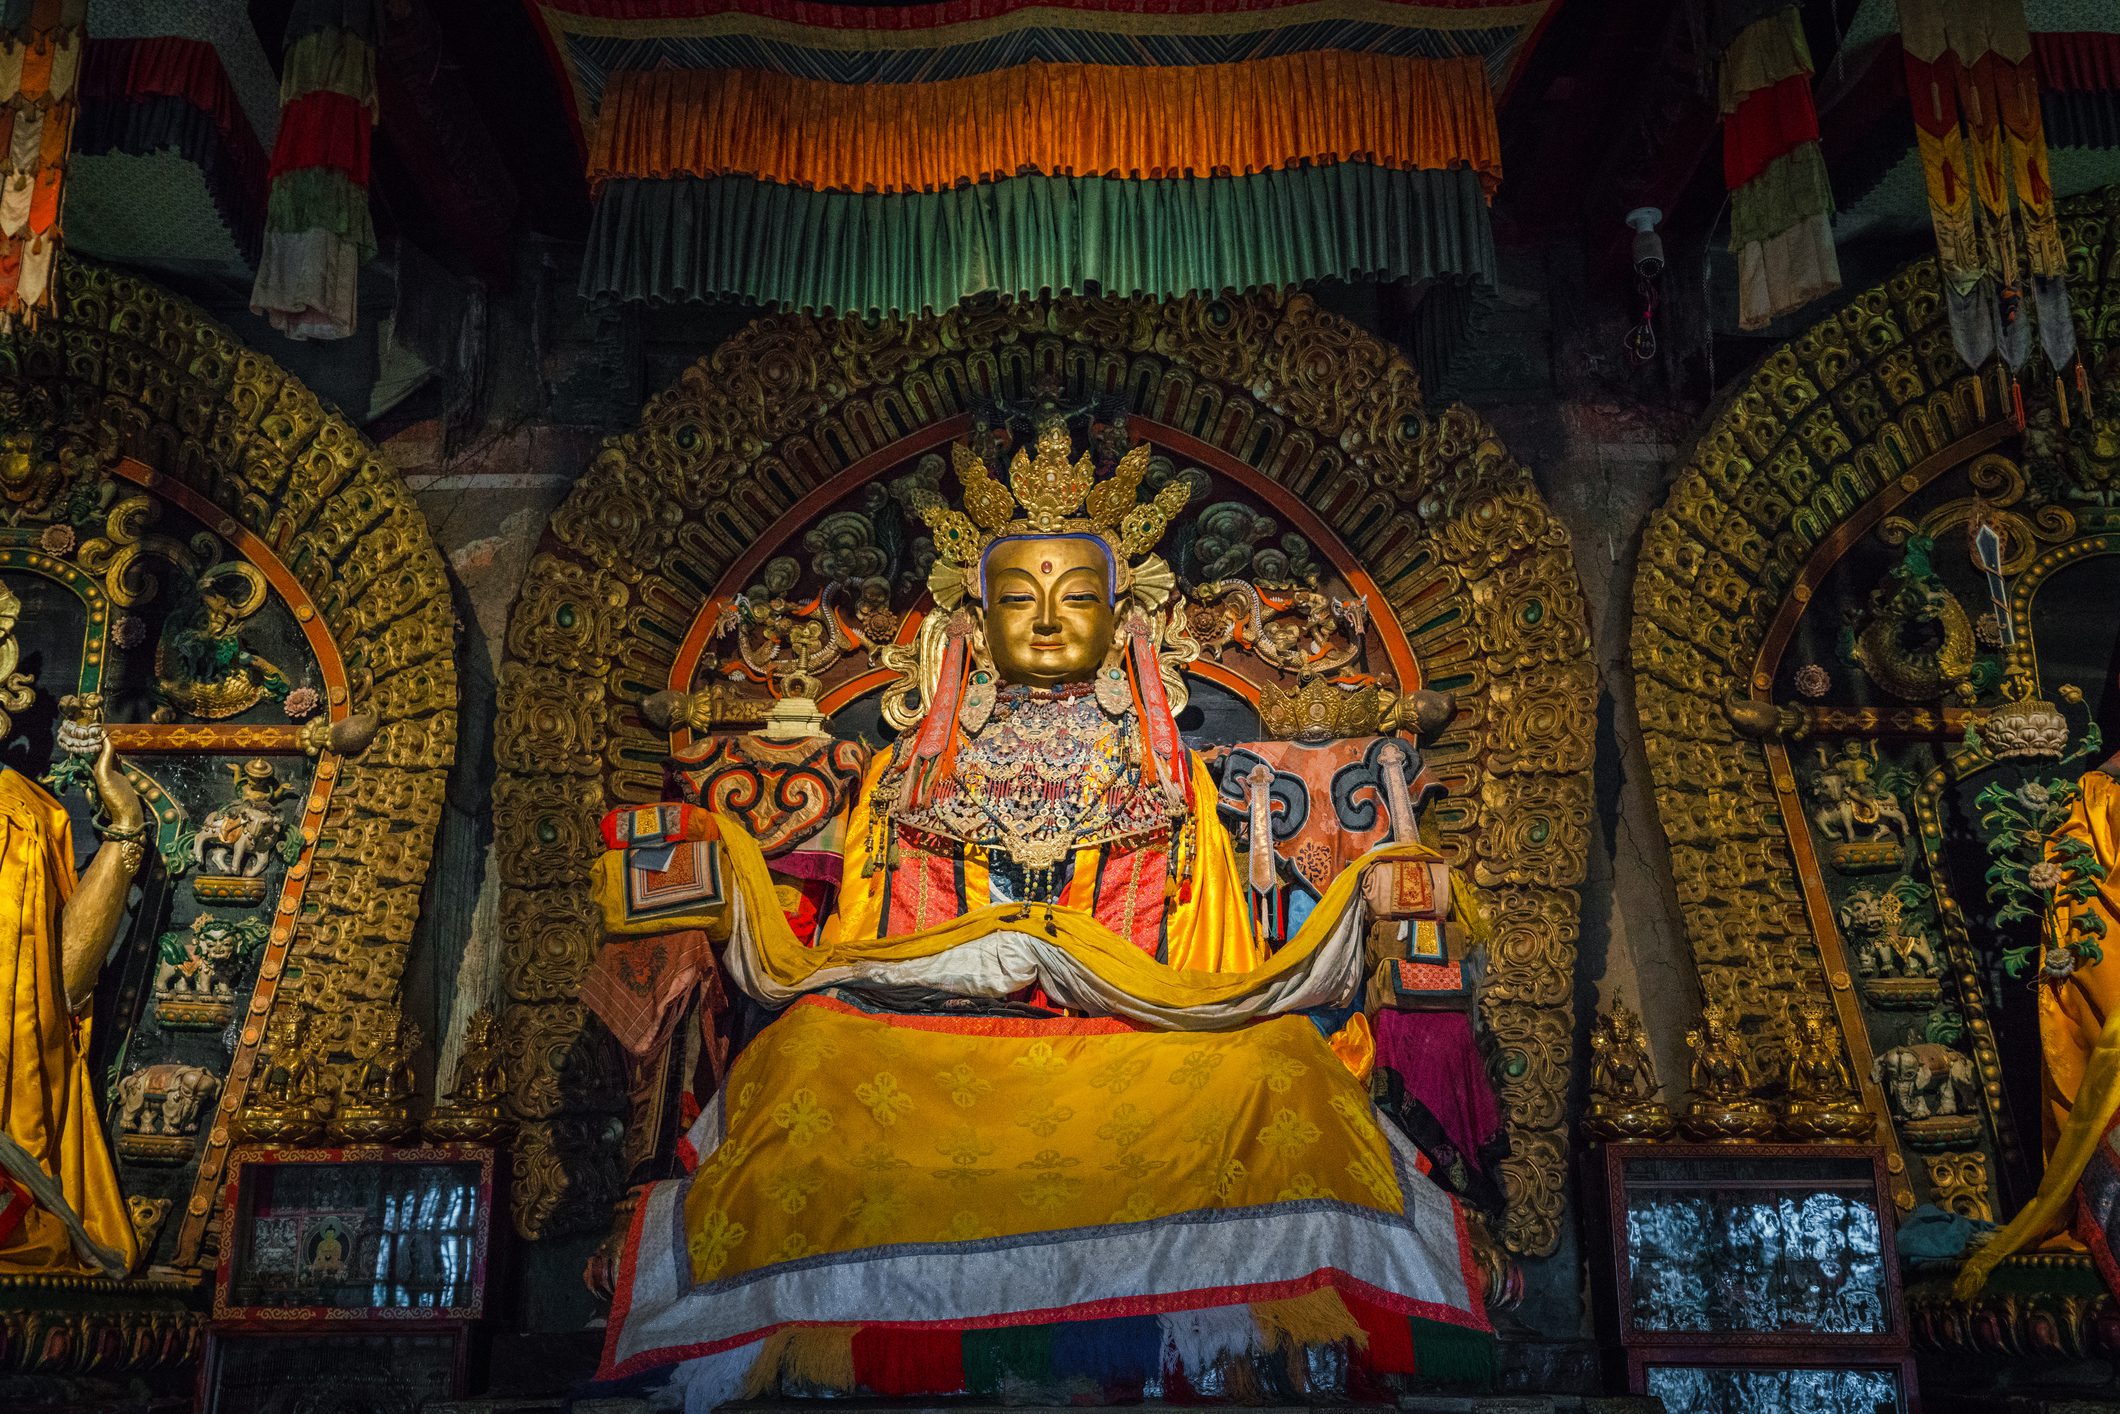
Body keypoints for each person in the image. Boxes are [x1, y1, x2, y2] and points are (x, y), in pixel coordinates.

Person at [596, 418, 1489, 1400]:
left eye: (1078, 597)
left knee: (1277, 1066)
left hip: (1141, 1034)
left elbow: (1212, 969)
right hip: (933, 1048)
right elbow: (867, 949)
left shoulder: (1166, 771)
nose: (1051, 617)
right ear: (971, 626)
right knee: (806, 1053)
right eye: (1020, 597)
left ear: (1125, 618)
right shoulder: (911, 773)